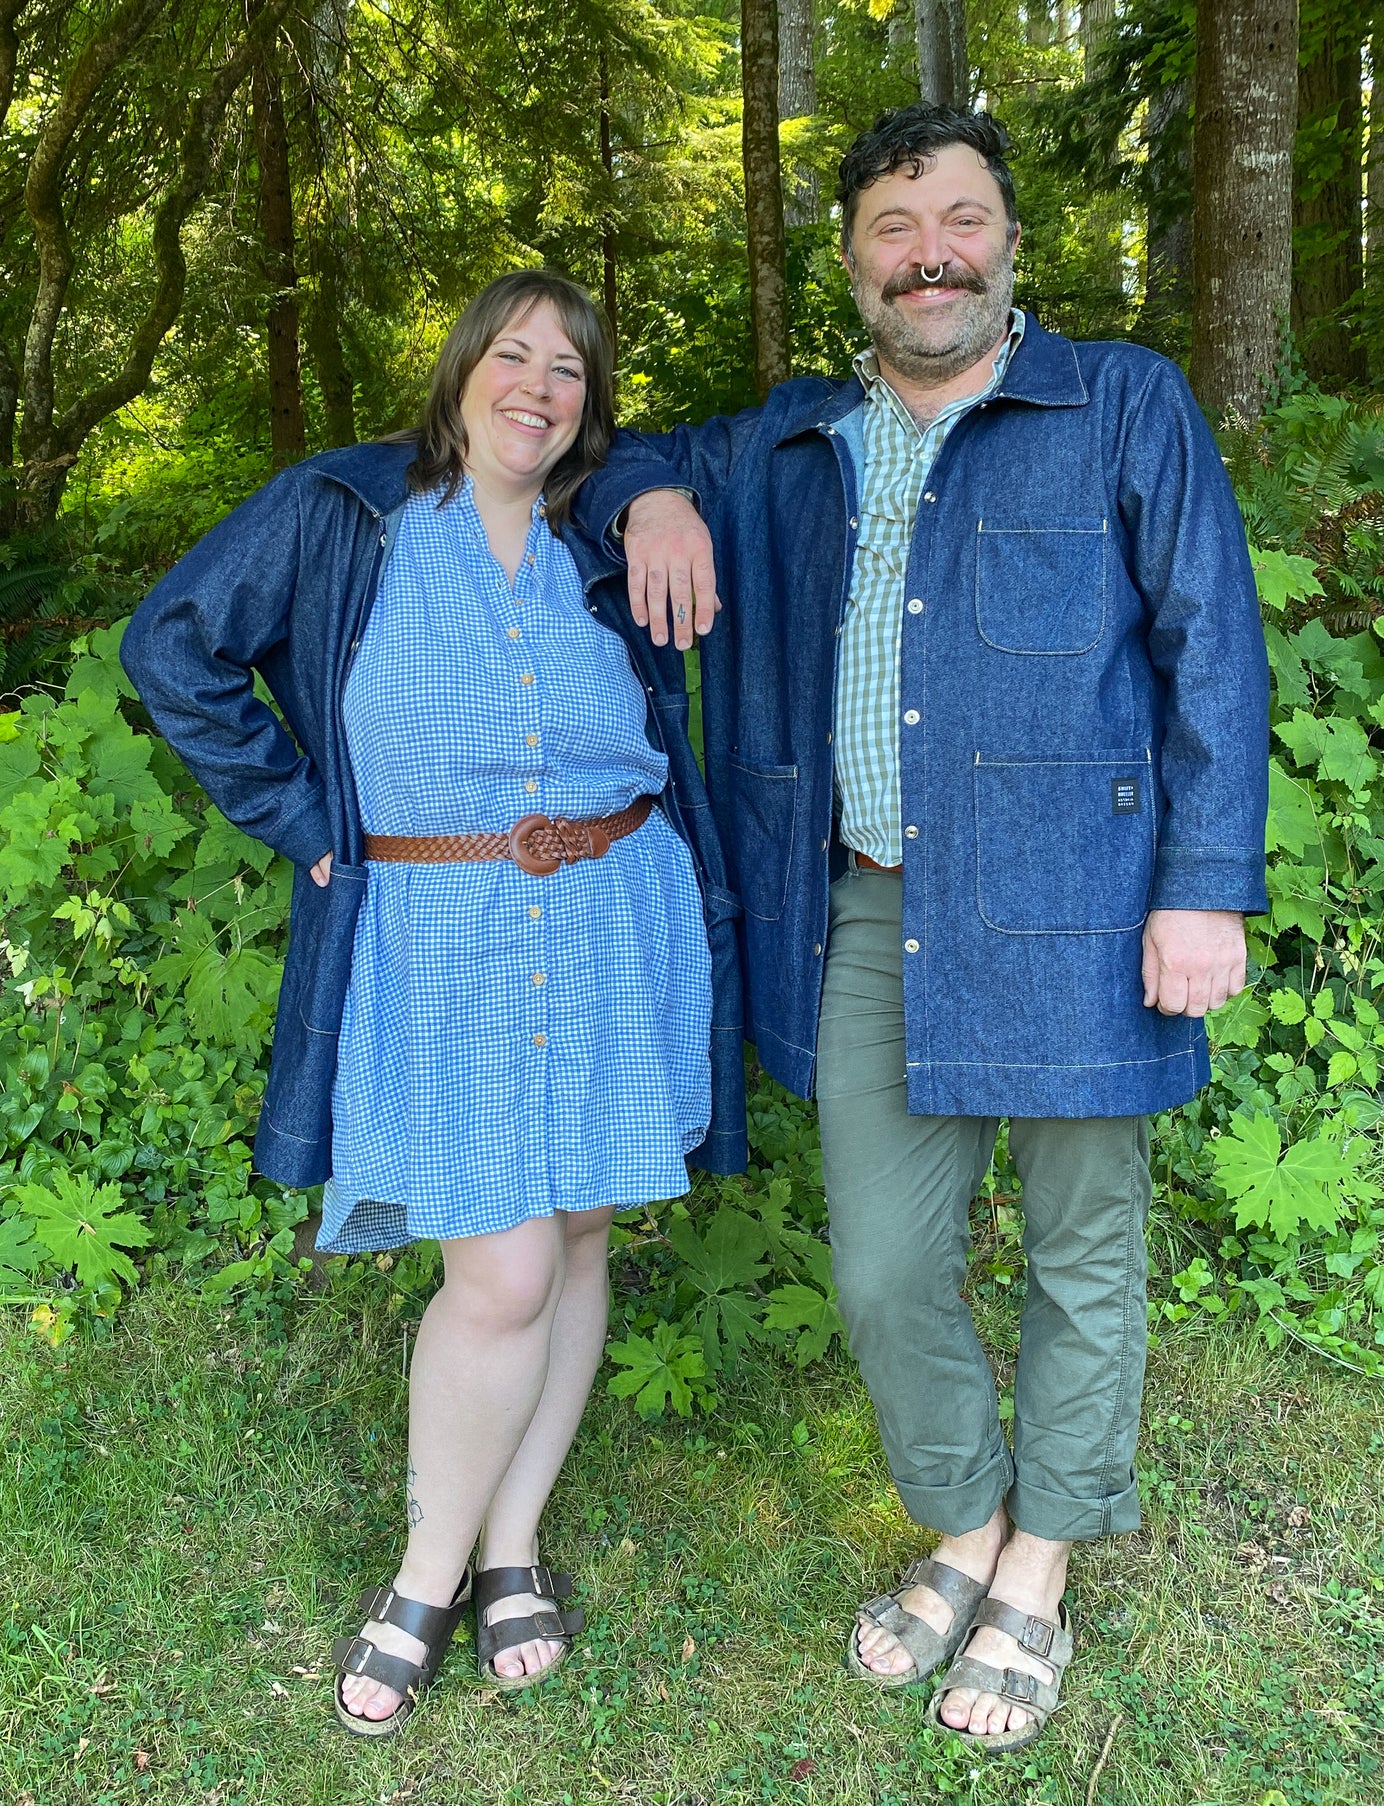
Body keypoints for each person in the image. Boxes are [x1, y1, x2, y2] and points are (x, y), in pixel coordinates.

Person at [577, 106, 1270, 1755]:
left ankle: (1034, 1561)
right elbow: (619, 447)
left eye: (961, 217)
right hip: (868, 911)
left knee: (1079, 1249)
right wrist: (654, 503)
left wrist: (1202, 882)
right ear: (852, 263)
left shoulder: (1116, 402)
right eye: (896, 226)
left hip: (1085, 908)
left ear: (1010, 245)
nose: (930, 250)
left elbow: (1211, 642)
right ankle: (962, 1512)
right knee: (886, 1266)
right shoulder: (793, 442)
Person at [121, 270, 744, 1737]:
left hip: (616, 911)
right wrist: (292, 809)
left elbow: (697, 485)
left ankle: (513, 1538)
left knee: (580, 1222)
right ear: (461, 368)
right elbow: (173, 644)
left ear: (593, 409)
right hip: (443, 930)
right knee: (501, 1271)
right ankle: (424, 1574)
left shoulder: (602, 533)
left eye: (570, 371)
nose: (537, 384)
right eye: (512, 354)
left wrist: (649, 495)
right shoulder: (347, 512)